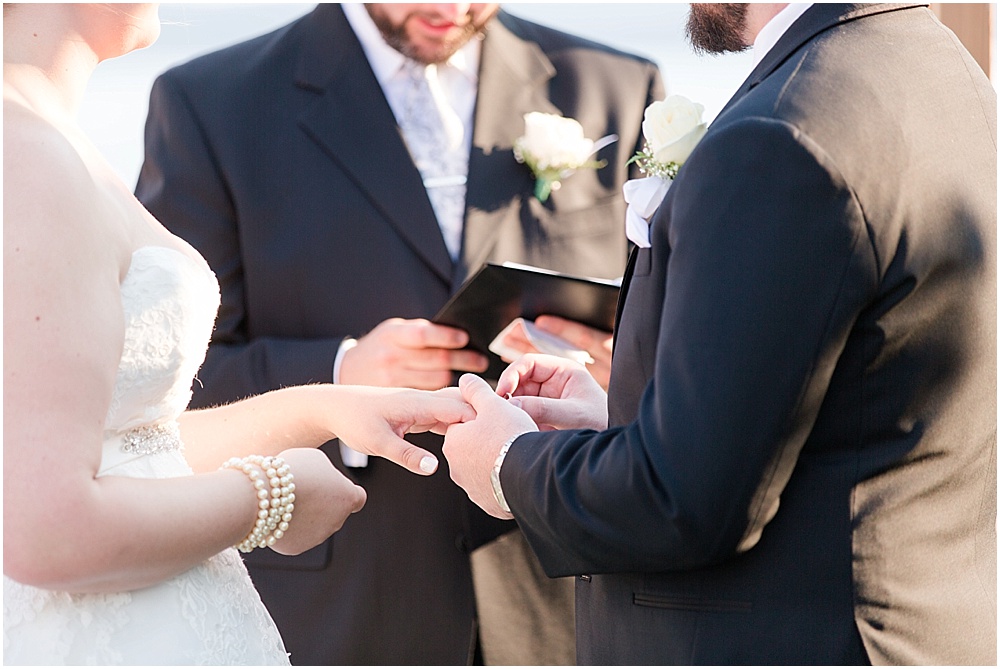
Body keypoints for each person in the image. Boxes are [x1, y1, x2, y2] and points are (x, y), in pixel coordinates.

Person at [443, 2, 997, 665]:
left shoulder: (779, 137)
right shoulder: (946, 74)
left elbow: (681, 500)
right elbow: (854, 408)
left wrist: (509, 463)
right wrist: (625, 423)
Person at [135, 3, 663, 664]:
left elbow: (673, 324)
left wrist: (636, 360)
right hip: (344, 599)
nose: (450, 8)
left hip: (567, 597)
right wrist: (341, 371)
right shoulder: (211, 104)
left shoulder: (616, 85)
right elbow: (160, 385)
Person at [2, 3, 474, 664]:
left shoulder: (46, 136)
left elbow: (129, 449)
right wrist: (271, 496)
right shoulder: (23, 153)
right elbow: (44, 530)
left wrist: (326, 407)